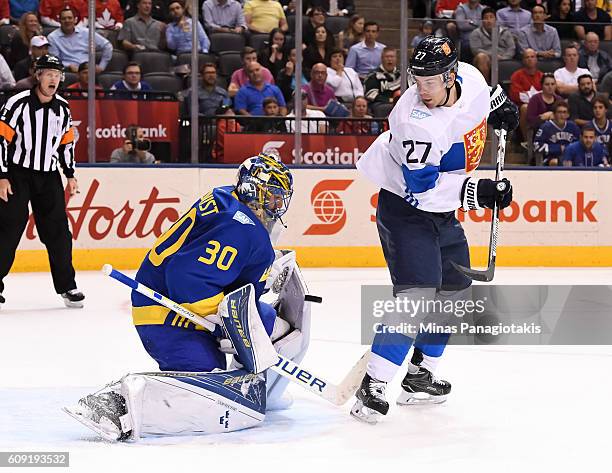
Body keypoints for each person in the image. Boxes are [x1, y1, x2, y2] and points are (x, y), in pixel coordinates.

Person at [64, 154, 311, 441]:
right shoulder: (243, 229)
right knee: (213, 394)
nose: (277, 206)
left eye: (280, 198)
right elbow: (186, 277)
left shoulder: (225, 197)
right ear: (252, 191)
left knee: (271, 324)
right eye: (272, 197)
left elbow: (210, 262)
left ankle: (265, 390)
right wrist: (227, 322)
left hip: (174, 303)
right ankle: (115, 405)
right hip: (168, 318)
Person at [353, 36, 518, 423]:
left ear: (451, 75)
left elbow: (484, 93)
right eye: (417, 80)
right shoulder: (415, 124)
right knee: (418, 295)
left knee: (454, 291)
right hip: (407, 208)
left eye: (430, 81)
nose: (422, 89)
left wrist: (501, 107)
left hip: (441, 213)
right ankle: (373, 384)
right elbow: (422, 191)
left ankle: (419, 374)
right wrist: (479, 191)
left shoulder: (471, 78)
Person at [0, 54, 84, 309]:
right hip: (17, 174)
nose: (53, 79)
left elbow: (65, 143)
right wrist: (1, 176)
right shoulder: (17, 103)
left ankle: (67, 285)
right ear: (38, 76)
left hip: (48, 176)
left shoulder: (62, 107)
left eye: (57, 75)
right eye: (48, 74)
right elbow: (1, 140)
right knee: (8, 228)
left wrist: (69, 173)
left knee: (58, 231)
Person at [47, 6, 113, 73]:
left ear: (75, 20)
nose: (67, 21)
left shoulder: (86, 32)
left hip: (88, 69)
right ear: (59, 21)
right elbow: (55, 60)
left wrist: (102, 66)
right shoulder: (52, 37)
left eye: (70, 18)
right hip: (68, 71)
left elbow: (107, 46)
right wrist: (68, 66)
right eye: (64, 18)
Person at [469, 7, 516, 82]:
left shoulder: (505, 32)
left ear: (496, 20)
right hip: (486, 59)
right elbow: (475, 49)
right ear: (482, 21)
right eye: (486, 18)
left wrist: (504, 57)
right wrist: (493, 55)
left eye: (491, 17)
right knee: (481, 57)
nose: (488, 20)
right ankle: (486, 87)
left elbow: (511, 48)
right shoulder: (476, 33)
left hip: (503, 58)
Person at [533, 100, 580, 165]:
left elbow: (579, 143)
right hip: (551, 158)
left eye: (564, 112)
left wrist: (567, 149)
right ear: (554, 114)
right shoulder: (545, 127)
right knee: (555, 162)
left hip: (570, 157)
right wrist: (558, 148)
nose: (562, 115)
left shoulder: (573, 126)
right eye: (559, 112)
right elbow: (537, 146)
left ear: (568, 115)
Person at [364, 47, 401, 115]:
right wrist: (390, 100)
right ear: (382, 59)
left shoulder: (402, 75)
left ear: (396, 59)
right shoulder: (373, 75)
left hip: (400, 103)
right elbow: (370, 95)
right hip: (380, 105)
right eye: (387, 57)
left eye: (392, 57)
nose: (390, 59)